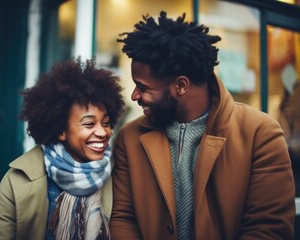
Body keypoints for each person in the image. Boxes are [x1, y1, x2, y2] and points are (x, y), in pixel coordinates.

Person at [110, 11, 295, 240]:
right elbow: (123, 218)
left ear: (181, 85)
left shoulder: (261, 133)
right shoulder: (129, 138)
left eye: (143, 87)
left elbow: (269, 229)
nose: (135, 95)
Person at [0, 58, 125, 240]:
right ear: (61, 131)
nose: (103, 132)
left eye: (106, 123)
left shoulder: (119, 176)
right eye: (89, 124)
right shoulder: (18, 180)